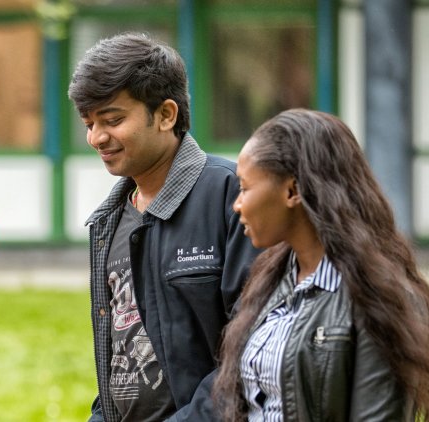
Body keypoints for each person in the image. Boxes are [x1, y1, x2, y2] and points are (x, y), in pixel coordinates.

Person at [67, 32, 259, 422]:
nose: (96, 137)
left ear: (167, 114)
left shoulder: (233, 196)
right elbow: (117, 361)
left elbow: (253, 347)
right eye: (89, 123)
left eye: (113, 120)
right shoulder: (108, 221)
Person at [213, 109, 429, 421]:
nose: (237, 204)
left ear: (292, 190)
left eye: (245, 188)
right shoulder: (270, 282)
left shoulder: (376, 299)